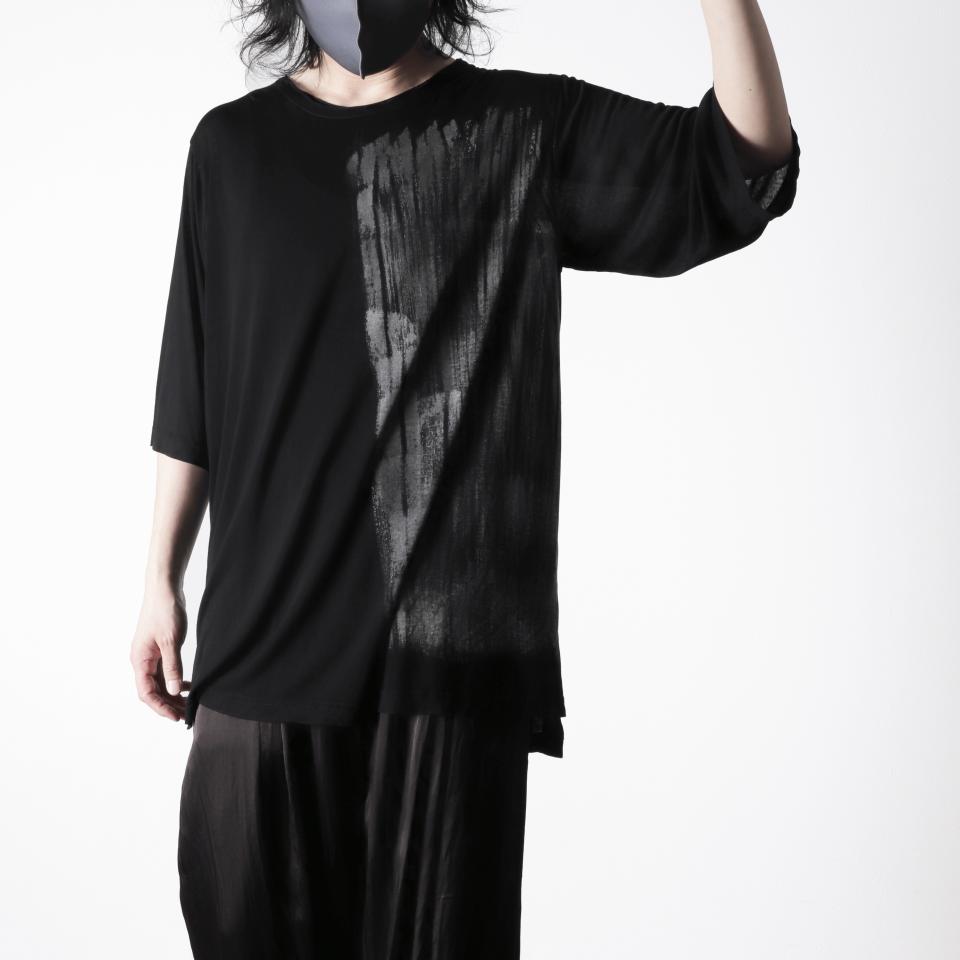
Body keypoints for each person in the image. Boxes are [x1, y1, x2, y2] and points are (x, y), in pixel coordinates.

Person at [130, 0, 801, 955]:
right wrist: (159, 578)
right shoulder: (230, 149)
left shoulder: (524, 129)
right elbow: (193, 385)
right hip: (260, 653)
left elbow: (742, 162)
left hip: (445, 681)